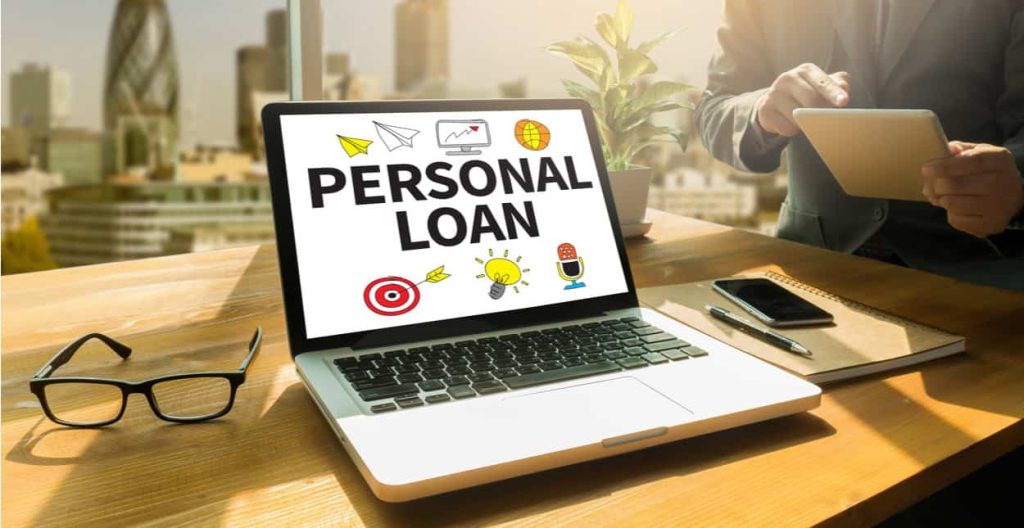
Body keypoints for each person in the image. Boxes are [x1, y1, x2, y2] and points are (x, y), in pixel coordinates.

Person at [695, 0, 1024, 291]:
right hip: (810, 268)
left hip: (977, 273)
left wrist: (1016, 186)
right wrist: (761, 111)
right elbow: (715, 107)